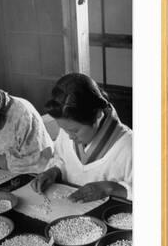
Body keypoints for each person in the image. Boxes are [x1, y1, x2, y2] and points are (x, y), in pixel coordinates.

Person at [31, 73, 132, 202]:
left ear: (96, 115)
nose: (70, 137)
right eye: (64, 129)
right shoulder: (68, 131)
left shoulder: (129, 145)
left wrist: (110, 188)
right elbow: (61, 159)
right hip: (66, 206)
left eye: (75, 131)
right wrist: (54, 171)